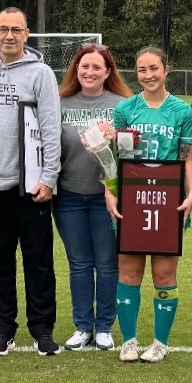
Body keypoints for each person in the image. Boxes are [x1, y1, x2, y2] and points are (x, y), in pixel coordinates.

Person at [0, 7, 62, 357]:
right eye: (3, 29)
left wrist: (49, 177)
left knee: (38, 258)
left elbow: (51, 126)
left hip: (30, 184)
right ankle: (3, 328)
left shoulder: (40, 74)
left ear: (27, 34)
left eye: (16, 30)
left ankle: (42, 329)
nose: (9, 36)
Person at [106, 47, 192, 363]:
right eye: (142, 69)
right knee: (128, 272)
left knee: (164, 274)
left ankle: (160, 342)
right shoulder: (126, 109)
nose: (148, 75)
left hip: (167, 201)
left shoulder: (181, 111)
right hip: (132, 200)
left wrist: (190, 193)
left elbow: (186, 157)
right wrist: (110, 191)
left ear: (166, 69)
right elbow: (114, 158)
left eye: (154, 68)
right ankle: (129, 341)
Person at [55, 43, 131, 351]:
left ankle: (104, 327)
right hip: (69, 197)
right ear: (76, 70)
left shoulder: (123, 104)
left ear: (108, 72)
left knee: (107, 263)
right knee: (79, 264)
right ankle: (83, 326)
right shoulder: (60, 103)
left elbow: (131, 150)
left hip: (107, 198)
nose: (90, 72)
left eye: (97, 67)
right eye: (84, 66)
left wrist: (117, 138)